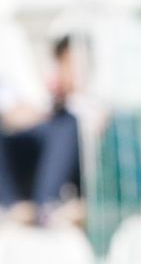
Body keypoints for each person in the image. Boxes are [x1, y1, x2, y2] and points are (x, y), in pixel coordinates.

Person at [0, 36, 81, 227]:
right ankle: (11, 207)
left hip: (39, 123)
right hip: (11, 129)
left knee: (67, 123)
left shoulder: (16, 39)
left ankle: (45, 206)